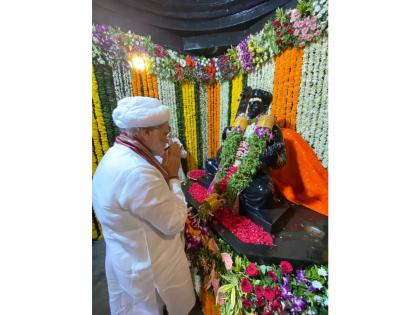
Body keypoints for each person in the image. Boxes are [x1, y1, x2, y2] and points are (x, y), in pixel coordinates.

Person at [92, 96, 196, 315]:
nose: (168, 140)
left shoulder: (117, 154)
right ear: (145, 133)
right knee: (154, 307)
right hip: (151, 267)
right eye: (164, 133)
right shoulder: (137, 172)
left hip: (128, 255)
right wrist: (173, 176)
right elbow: (174, 222)